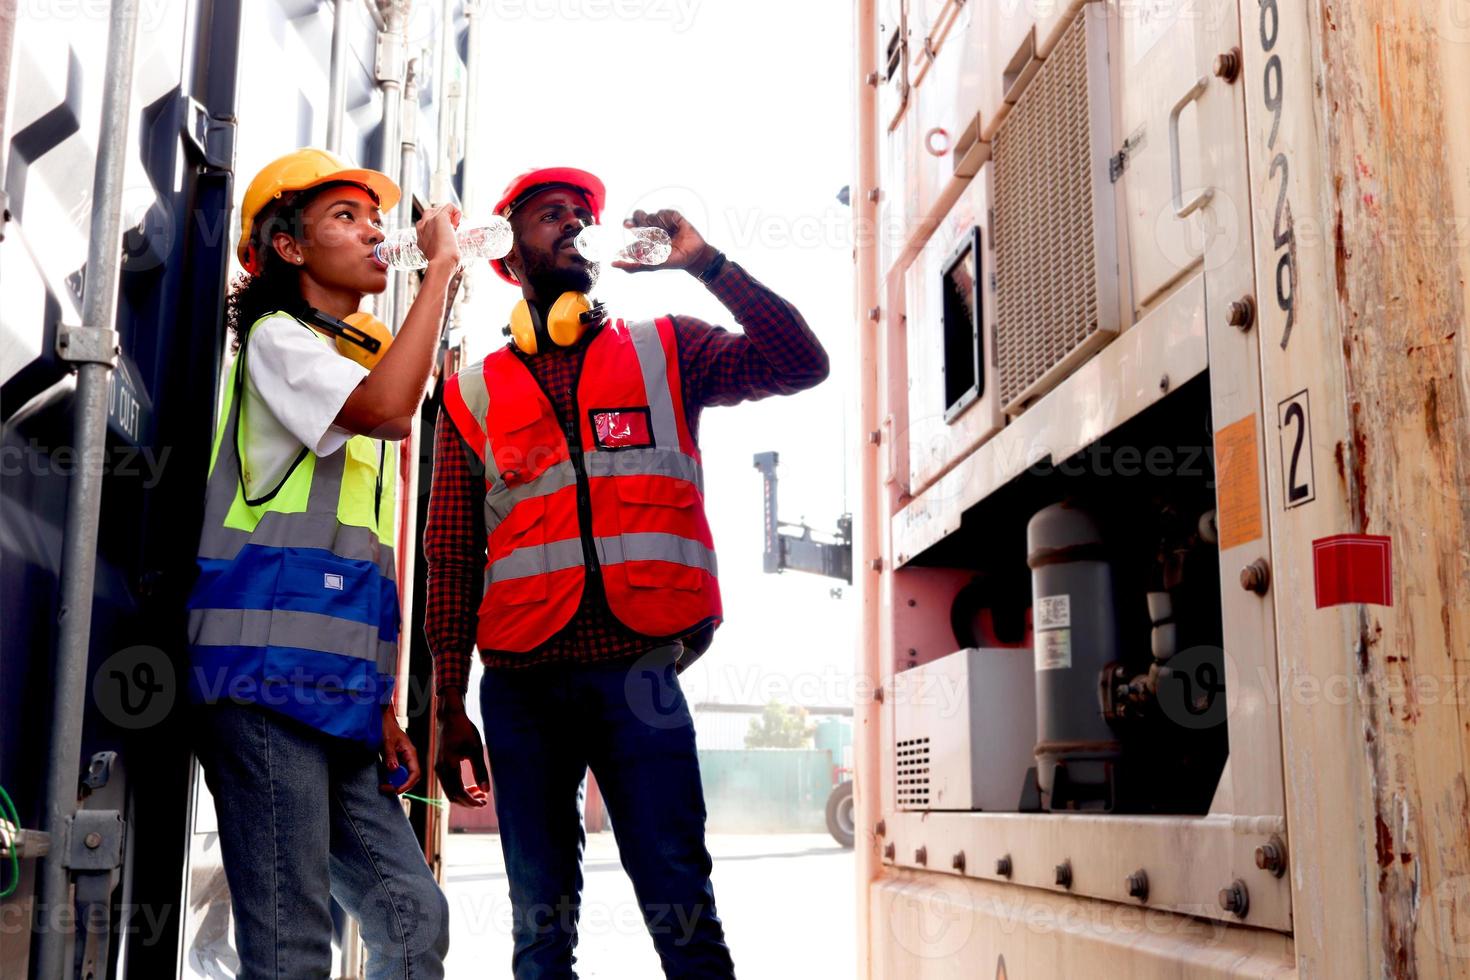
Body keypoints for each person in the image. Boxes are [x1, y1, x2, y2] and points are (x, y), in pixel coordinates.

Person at [424, 166, 830, 978]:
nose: (573, 223)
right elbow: (450, 555)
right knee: (540, 932)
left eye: (582, 214)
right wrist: (446, 704)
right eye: (550, 215)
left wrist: (705, 262)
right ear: (509, 254)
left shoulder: (669, 350)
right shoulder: (471, 394)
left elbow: (800, 362)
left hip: (640, 673)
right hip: (520, 688)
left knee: (683, 911)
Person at [186, 147, 457, 979]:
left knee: (414, 922)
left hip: (334, 697)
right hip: (265, 686)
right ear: (289, 249)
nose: (374, 231)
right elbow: (389, 409)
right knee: (294, 948)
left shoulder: (349, 358)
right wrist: (440, 271)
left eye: (374, 217)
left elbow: (357, 569)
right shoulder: (277, 341)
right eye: (346, 216)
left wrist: (378, 704)